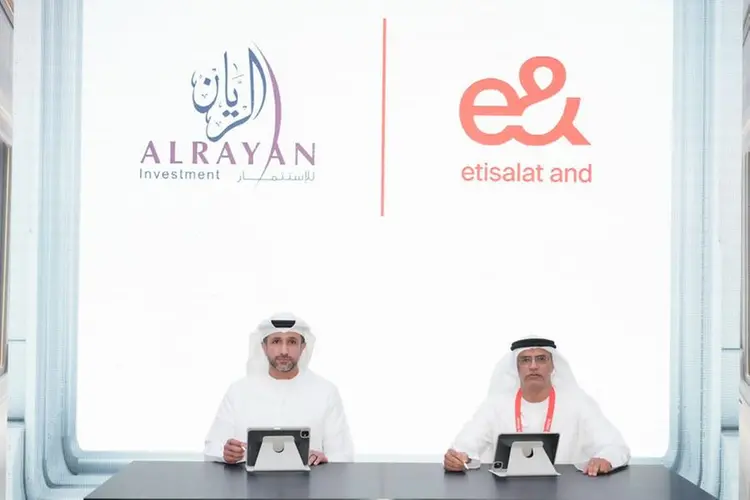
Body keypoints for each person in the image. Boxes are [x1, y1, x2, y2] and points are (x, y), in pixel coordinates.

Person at [443, 337, 630, 476]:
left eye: (541, 359)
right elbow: (463, 447)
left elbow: (615, 447)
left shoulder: (578, 402)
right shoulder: (495, 405)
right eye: (525, 360)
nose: (533, 366)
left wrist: (605, 459)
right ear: (516, 367)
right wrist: (457, 458)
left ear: (552, 366)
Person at [203, 313, 355, 465]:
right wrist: (226, 453)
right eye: (276, 341)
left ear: (302, 347)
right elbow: (212, 448)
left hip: (311, 479)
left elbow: (343, 454)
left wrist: (325, 459)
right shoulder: (238, 391)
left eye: (292, 342)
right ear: (264, 347)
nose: (284, 351)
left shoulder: (325, 392)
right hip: (247, 480)